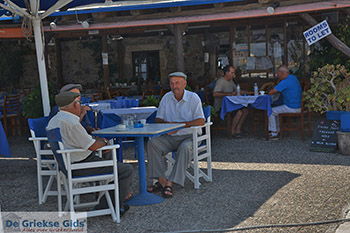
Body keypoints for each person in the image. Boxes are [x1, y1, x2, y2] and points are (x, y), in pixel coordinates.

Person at [46, 91, 133, 215]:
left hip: (67, 166)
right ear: (75, 104)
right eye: (79, 103)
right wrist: (105, 140)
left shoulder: (55, 120)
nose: (81, 106)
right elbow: (92, 146)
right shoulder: (71, 123)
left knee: (114, 164)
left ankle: (109, 204)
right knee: (125, 169)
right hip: (81, 165)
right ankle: (110, 206)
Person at [146, 72, 205, 198]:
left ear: (184, 84)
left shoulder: (193, 98)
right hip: (170, 137)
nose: (174, 86)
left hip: (189, 136)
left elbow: (201, 120)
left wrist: (180, 125)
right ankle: (161, 180)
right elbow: (158, 119)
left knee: (185, 148)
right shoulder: (166, 97)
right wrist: (168, 125)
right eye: (172, 83)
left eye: (177, 83)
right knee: (152, 144)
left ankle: (170, 183)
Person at [213, 65, 248, 138]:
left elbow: (236, 91)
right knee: (240, 111)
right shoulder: (221, 81)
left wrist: (244, 92)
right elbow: (215, 94)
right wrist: (229, 94)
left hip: (231, 105)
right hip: (222, 107)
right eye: (232, 73)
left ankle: (238, 129)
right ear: (226, 73)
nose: (233, 75)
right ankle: (232, 131)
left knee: (245, 110)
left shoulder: (231, 81)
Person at [268, 65, 302, 140]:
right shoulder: (293, 78)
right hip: (298, 106)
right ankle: (277, 130)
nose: (277, 76)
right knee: (275, 109)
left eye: (278, 74)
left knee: (271, 111)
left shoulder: (285, 81)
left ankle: (274, 133)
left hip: (291, 107)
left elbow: (272, 92)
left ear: (282, 73)